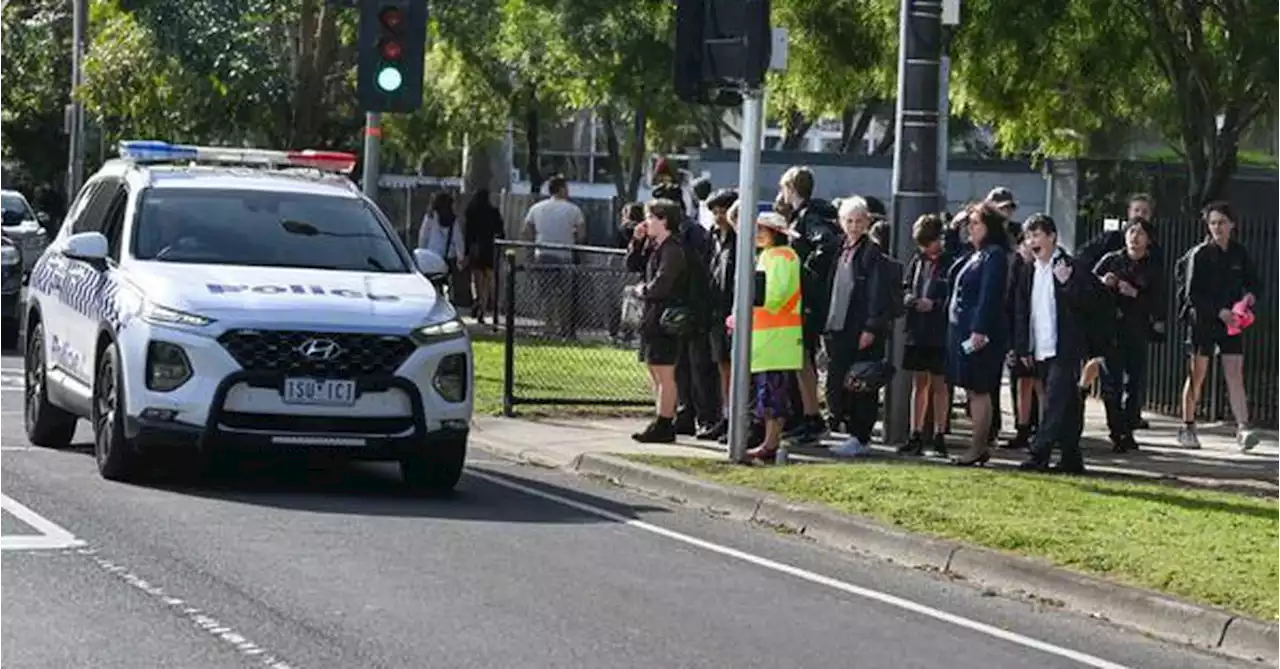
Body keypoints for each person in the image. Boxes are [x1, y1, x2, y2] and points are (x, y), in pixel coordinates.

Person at [1012, 214, 1099, 474]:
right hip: (1040, 346)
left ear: (1052, 237)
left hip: (1065, 347)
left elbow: (1089, 303)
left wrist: (1067, 284)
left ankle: (1039, 453)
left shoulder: (1071, 266)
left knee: (1054, 400)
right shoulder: (1029, 270)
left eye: (1037, 235)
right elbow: (1022, 311)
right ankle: (1072, 457)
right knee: (1068, 404)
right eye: (1028, 237)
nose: (1031, 242)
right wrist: (1023, 347)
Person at [1178, 201, 1260, 451]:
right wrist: (1219, 311)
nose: (1217, 228)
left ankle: (1243, 428)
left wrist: (1247, 300)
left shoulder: (1239, 253)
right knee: (1197, 374)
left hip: (1231, 323)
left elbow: (1254, 283)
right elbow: (1192, 294)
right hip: (1203, 320)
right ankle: (1188, 426)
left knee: (1235, 372)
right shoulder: (1200, 254)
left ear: (1232, 224)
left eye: (1222, 222)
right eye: (1213, 223)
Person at [822, 196, 895, 456]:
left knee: (862, 383)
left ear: (867, 222)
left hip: (860, 328)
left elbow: (877, 293)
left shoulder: (871, 253)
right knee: (839, 383)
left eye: (858, 221)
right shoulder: (839, 249)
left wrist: (871, 327)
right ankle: (850, 431)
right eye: (848, 221)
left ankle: (860, 436)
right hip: (838, 327)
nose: (853, 226)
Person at [730, 212, 804, 461]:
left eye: (764, 229)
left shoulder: (780, 256)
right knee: (768, 393)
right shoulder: (770, 255)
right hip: (769, 338)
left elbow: (775, 294)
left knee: (773, 395)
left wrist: (749, 307)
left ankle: (770, 444)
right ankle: (768, 442)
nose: (758, 233)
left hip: (776, 338)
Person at [777, 166, 841, 442]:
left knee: (803, 360)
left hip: (808, 301)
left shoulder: (809, 217)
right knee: (800, 360)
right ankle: (807, 414)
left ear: (790, 188)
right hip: (810, 299)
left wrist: (803, 271)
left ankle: (812, 417)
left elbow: (824, 245)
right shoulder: (811, 215)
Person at [945, 203, 1010, 466]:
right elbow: (952, 255)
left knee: (979, 389)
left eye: (976, 224)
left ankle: (978, 445)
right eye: (969, 224)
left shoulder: (994, 256)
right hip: (962, 329)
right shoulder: (975, 253)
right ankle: (977, 444)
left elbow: (989, 295)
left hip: (979, 333)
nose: (970, 229)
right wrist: (954, 227)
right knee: (972, 389)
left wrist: (979, 330)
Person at [1093, 217, 1164, 452]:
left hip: (1136, 331)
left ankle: (1128, 428)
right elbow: (1087, 288)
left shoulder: (1152, 268)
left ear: (1149, 239)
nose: (1135, 237)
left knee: (1133, 383)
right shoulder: (1110, 260)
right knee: (1111, 383)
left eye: (1140, 233)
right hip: (1109, 330)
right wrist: (1104, 282)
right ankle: (1116, 431)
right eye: (1131, 232)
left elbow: (1157, 305)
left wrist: (1135, 294)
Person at [624, 198, 689, 443]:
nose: (646, 222)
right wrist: (637, 241)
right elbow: (632, 264)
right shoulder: (655, 246)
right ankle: (660, 416)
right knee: (654, 369)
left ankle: (665, 422)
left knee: (665, 372)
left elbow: (663, 283)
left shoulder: (673, 249)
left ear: (664, 220)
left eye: (651, 217)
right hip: (651, 317)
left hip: (665, 318)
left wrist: (643, 290)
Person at [899, 214, 955, 457]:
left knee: (940, 384)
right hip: (917, 329)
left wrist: (935, 304)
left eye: (929, 243)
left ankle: (941, 433)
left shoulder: (950, 262)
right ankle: (916, 432)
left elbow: (955, 295)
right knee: (918, 382)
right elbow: (906, 286)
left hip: (939, 331)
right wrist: (910, 299)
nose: (925, 248)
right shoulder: (917, 260)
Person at [522, 175, 586, 338]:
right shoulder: (573, 209)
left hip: (543, 253)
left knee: (545, 293)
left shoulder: (536, 208)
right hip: (565, 254)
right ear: (561, 189)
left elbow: (526, 231)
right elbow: (581, 235)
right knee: (564, 293)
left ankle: (548, 325)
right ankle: (564, 327)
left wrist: (532, 247)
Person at [702, 188, 740, 440]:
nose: (718, 216)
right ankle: (725, 416)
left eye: (723, 211)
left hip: (732, 311)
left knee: (735, 366)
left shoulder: (739, 241)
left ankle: (736, 417)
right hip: (715, 310)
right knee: (721, 366)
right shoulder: (714, 238)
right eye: (715, 211)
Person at [462, 189, 505, 324]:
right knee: (489, 279)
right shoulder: (494, 212)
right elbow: (501, 232)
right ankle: (491, 306)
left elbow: (468, 234)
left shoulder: (471, 212)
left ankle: (480, 303)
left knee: (478, 281)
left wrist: (466, 252)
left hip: (476, 249)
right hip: (490, 249)